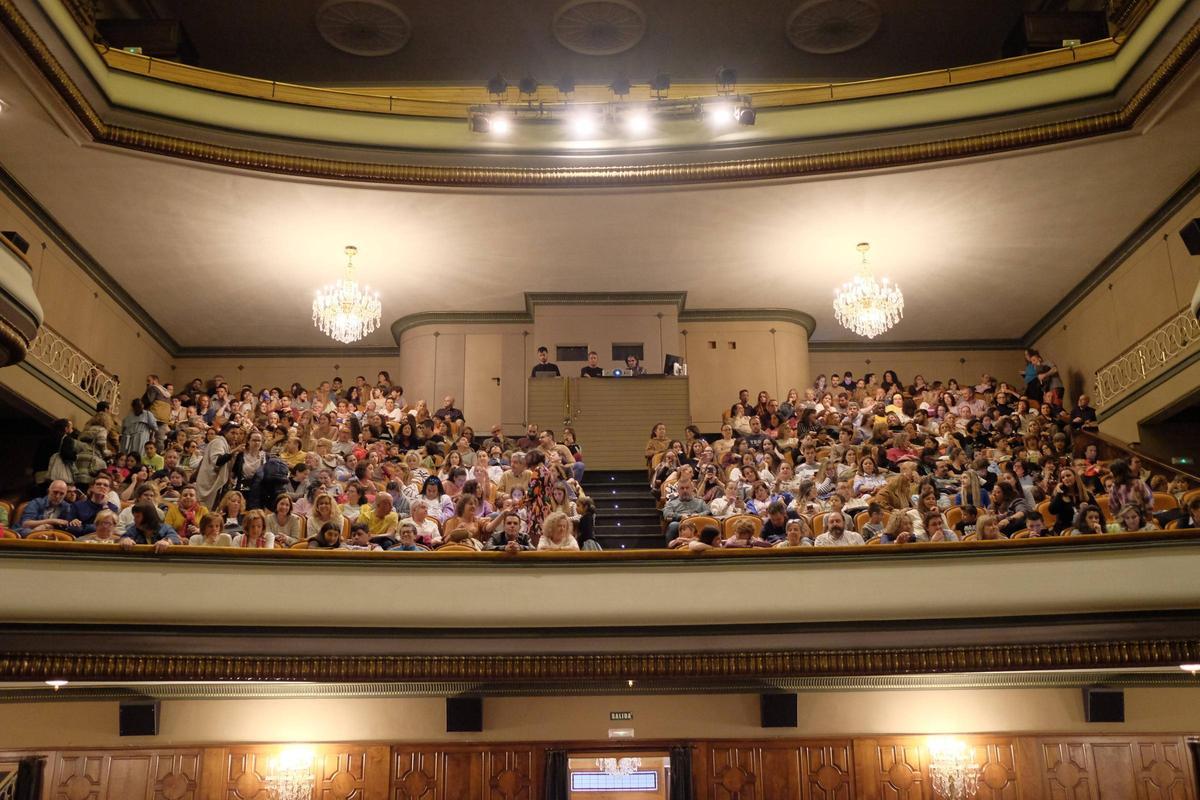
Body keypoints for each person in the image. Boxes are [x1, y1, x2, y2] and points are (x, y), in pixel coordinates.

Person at [661, 480, 710, 545]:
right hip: (680, 523)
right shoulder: (672, 503)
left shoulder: (700, 502)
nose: (685, 490)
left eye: (687, 488)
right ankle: (670, 548)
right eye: (682, 488)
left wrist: (698, 515)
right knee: (673, 525)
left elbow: (708, 511)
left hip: (697, 522)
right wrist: (680, 516)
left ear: (692, 489)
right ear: (678, 490)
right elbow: (667, 514)